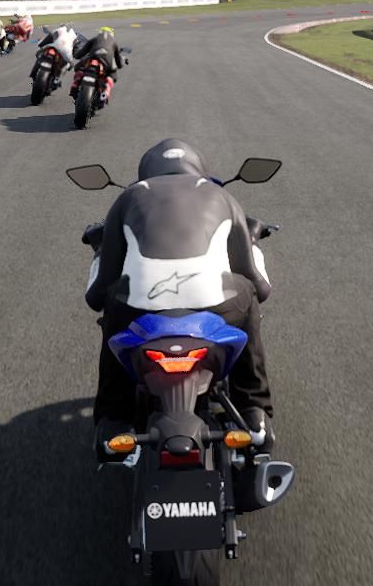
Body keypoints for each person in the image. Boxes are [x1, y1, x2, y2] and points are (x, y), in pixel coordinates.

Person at [86, 139, 274, 459]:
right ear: (198, 168)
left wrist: (99, 255)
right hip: (216, 307)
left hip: (141, 311)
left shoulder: (128, 198)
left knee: (113, 304)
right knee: (248, 295)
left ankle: (114, 418)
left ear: (146, 171)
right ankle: (253, 409)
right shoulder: (223, 196)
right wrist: (252, 243)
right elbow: (258, 283)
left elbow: (99, 291)